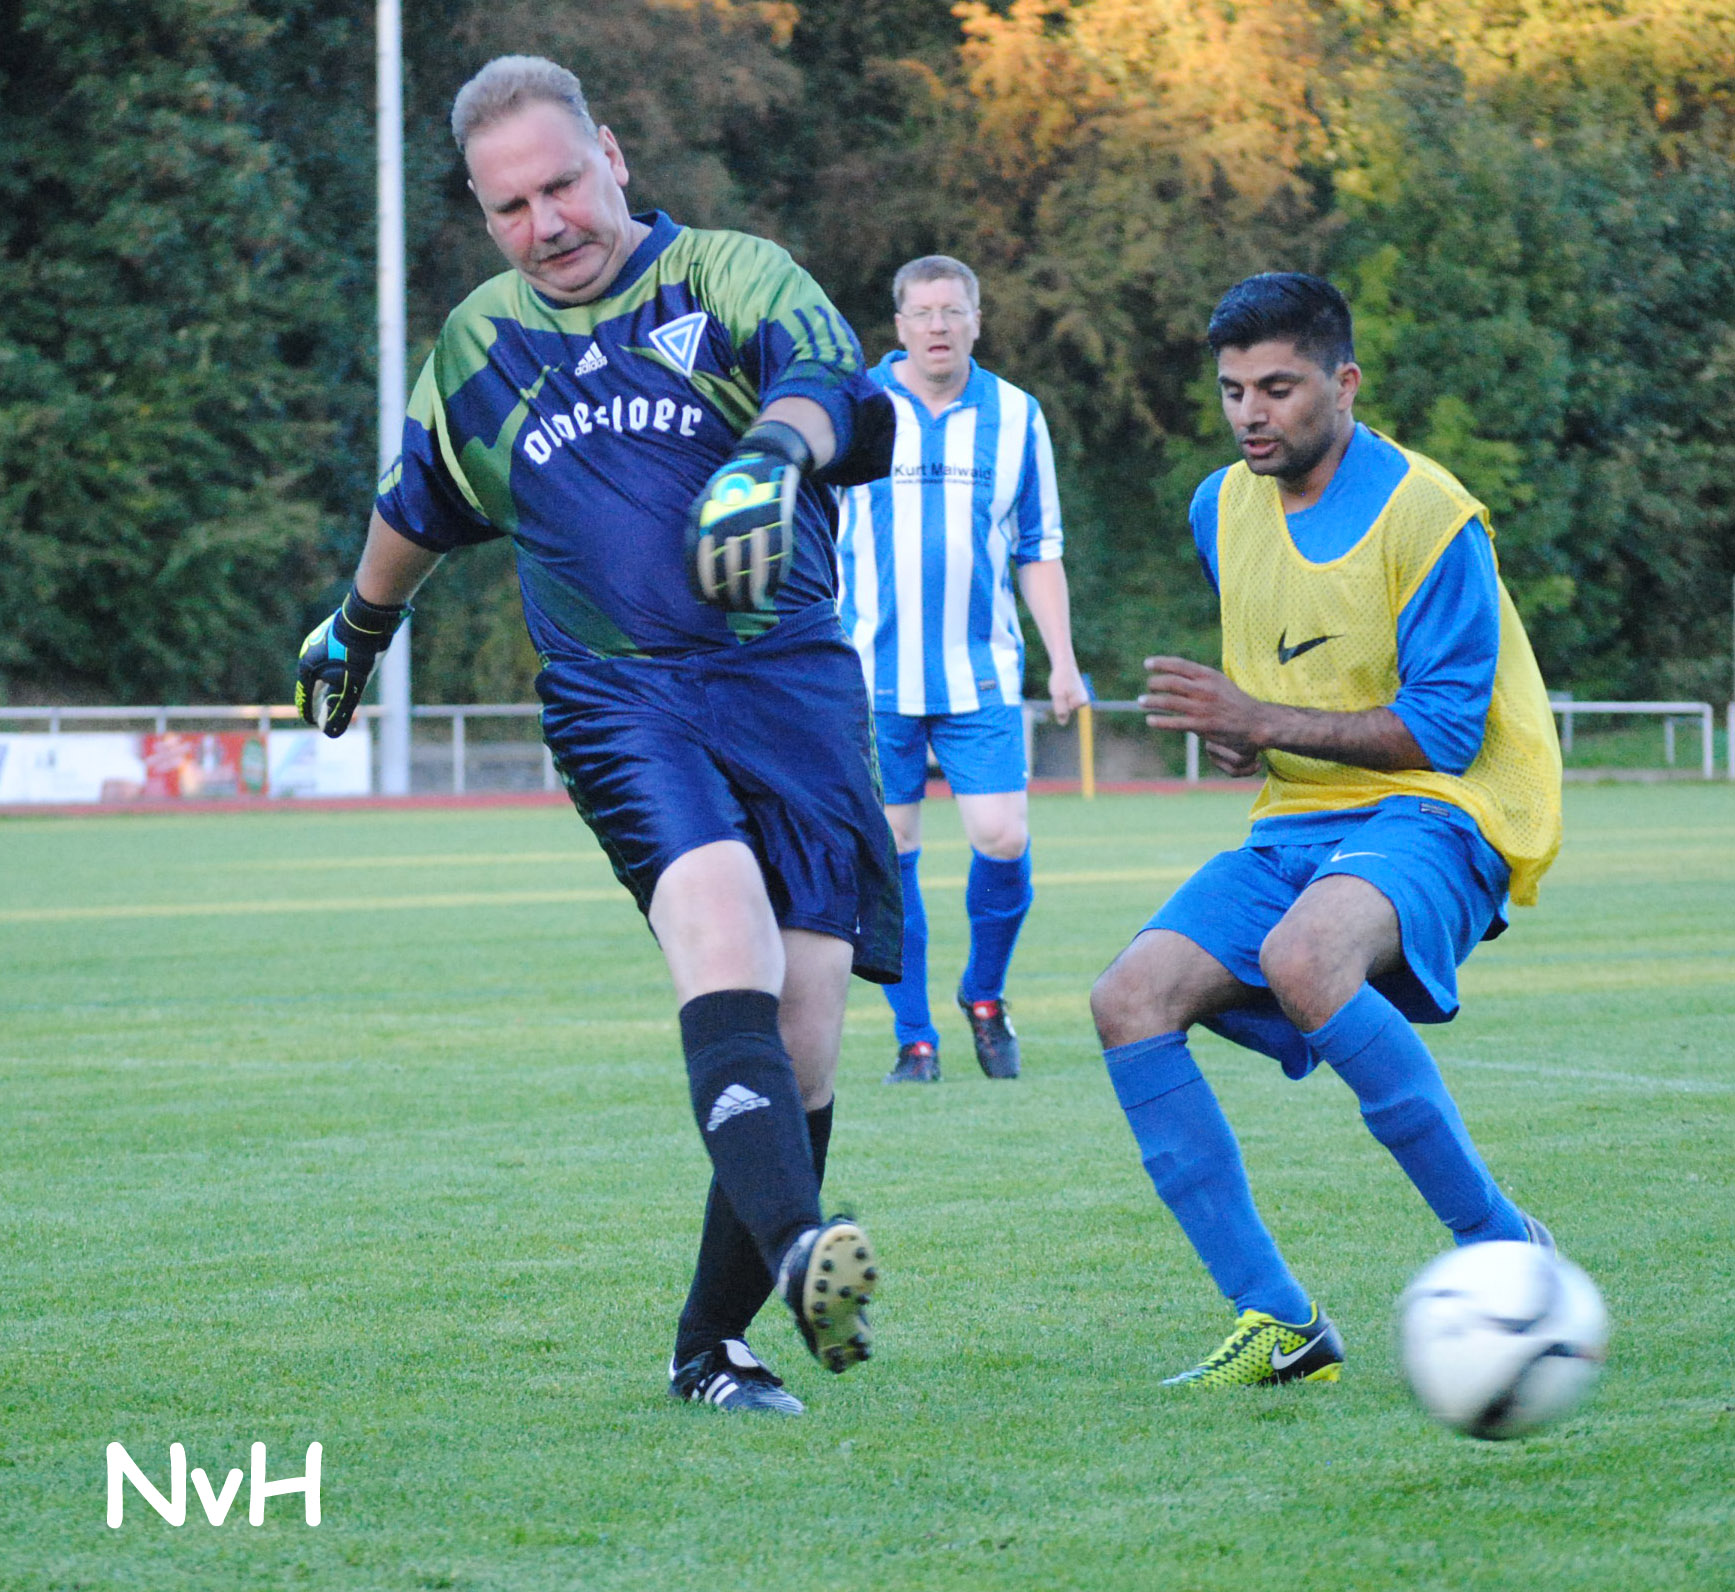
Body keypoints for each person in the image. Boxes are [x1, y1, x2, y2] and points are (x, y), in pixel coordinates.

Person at [294, 56, 903, 1416]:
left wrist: (772, 455)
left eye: (561, 186)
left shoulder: (730, 276)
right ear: (482, 212)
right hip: (621, 701)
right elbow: (419, 500)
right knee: (722, 929)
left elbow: (828, 382)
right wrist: (357, 629)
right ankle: (801, 1247)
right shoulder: (479, 346)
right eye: (509, 207)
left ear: (613, 156)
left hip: (792, 692)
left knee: (804, 1031)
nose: (546, 224)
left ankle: (712, 1346)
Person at [1088, 273, 1563, 1387]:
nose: (1250, 413)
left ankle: (1504, 1250)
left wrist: (1262, 719)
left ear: (1343, 384)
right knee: (1128, 998)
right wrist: (1244, 737)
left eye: (1278, 387)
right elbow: (1292, 680)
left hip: (1448, 807)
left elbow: (1444, 730)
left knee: (1304, 957)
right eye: (1232, 391)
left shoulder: (1430, 514)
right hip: (1299, 819)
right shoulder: (1217, 507)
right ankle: (1278, 1322)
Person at [836, 255, 1089, 1085]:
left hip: (978, 670)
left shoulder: (1015, 415)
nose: (937, 325)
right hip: (870, 673)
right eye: (922, 312)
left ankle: (983, 993)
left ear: (977, 321)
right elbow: (810, 532)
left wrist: (1063, 662)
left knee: (1001, 835)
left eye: (952, 311)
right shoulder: (856, 405)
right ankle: (914, 1038)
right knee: (892, 849)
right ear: (899, 325)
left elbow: (1037, 547)